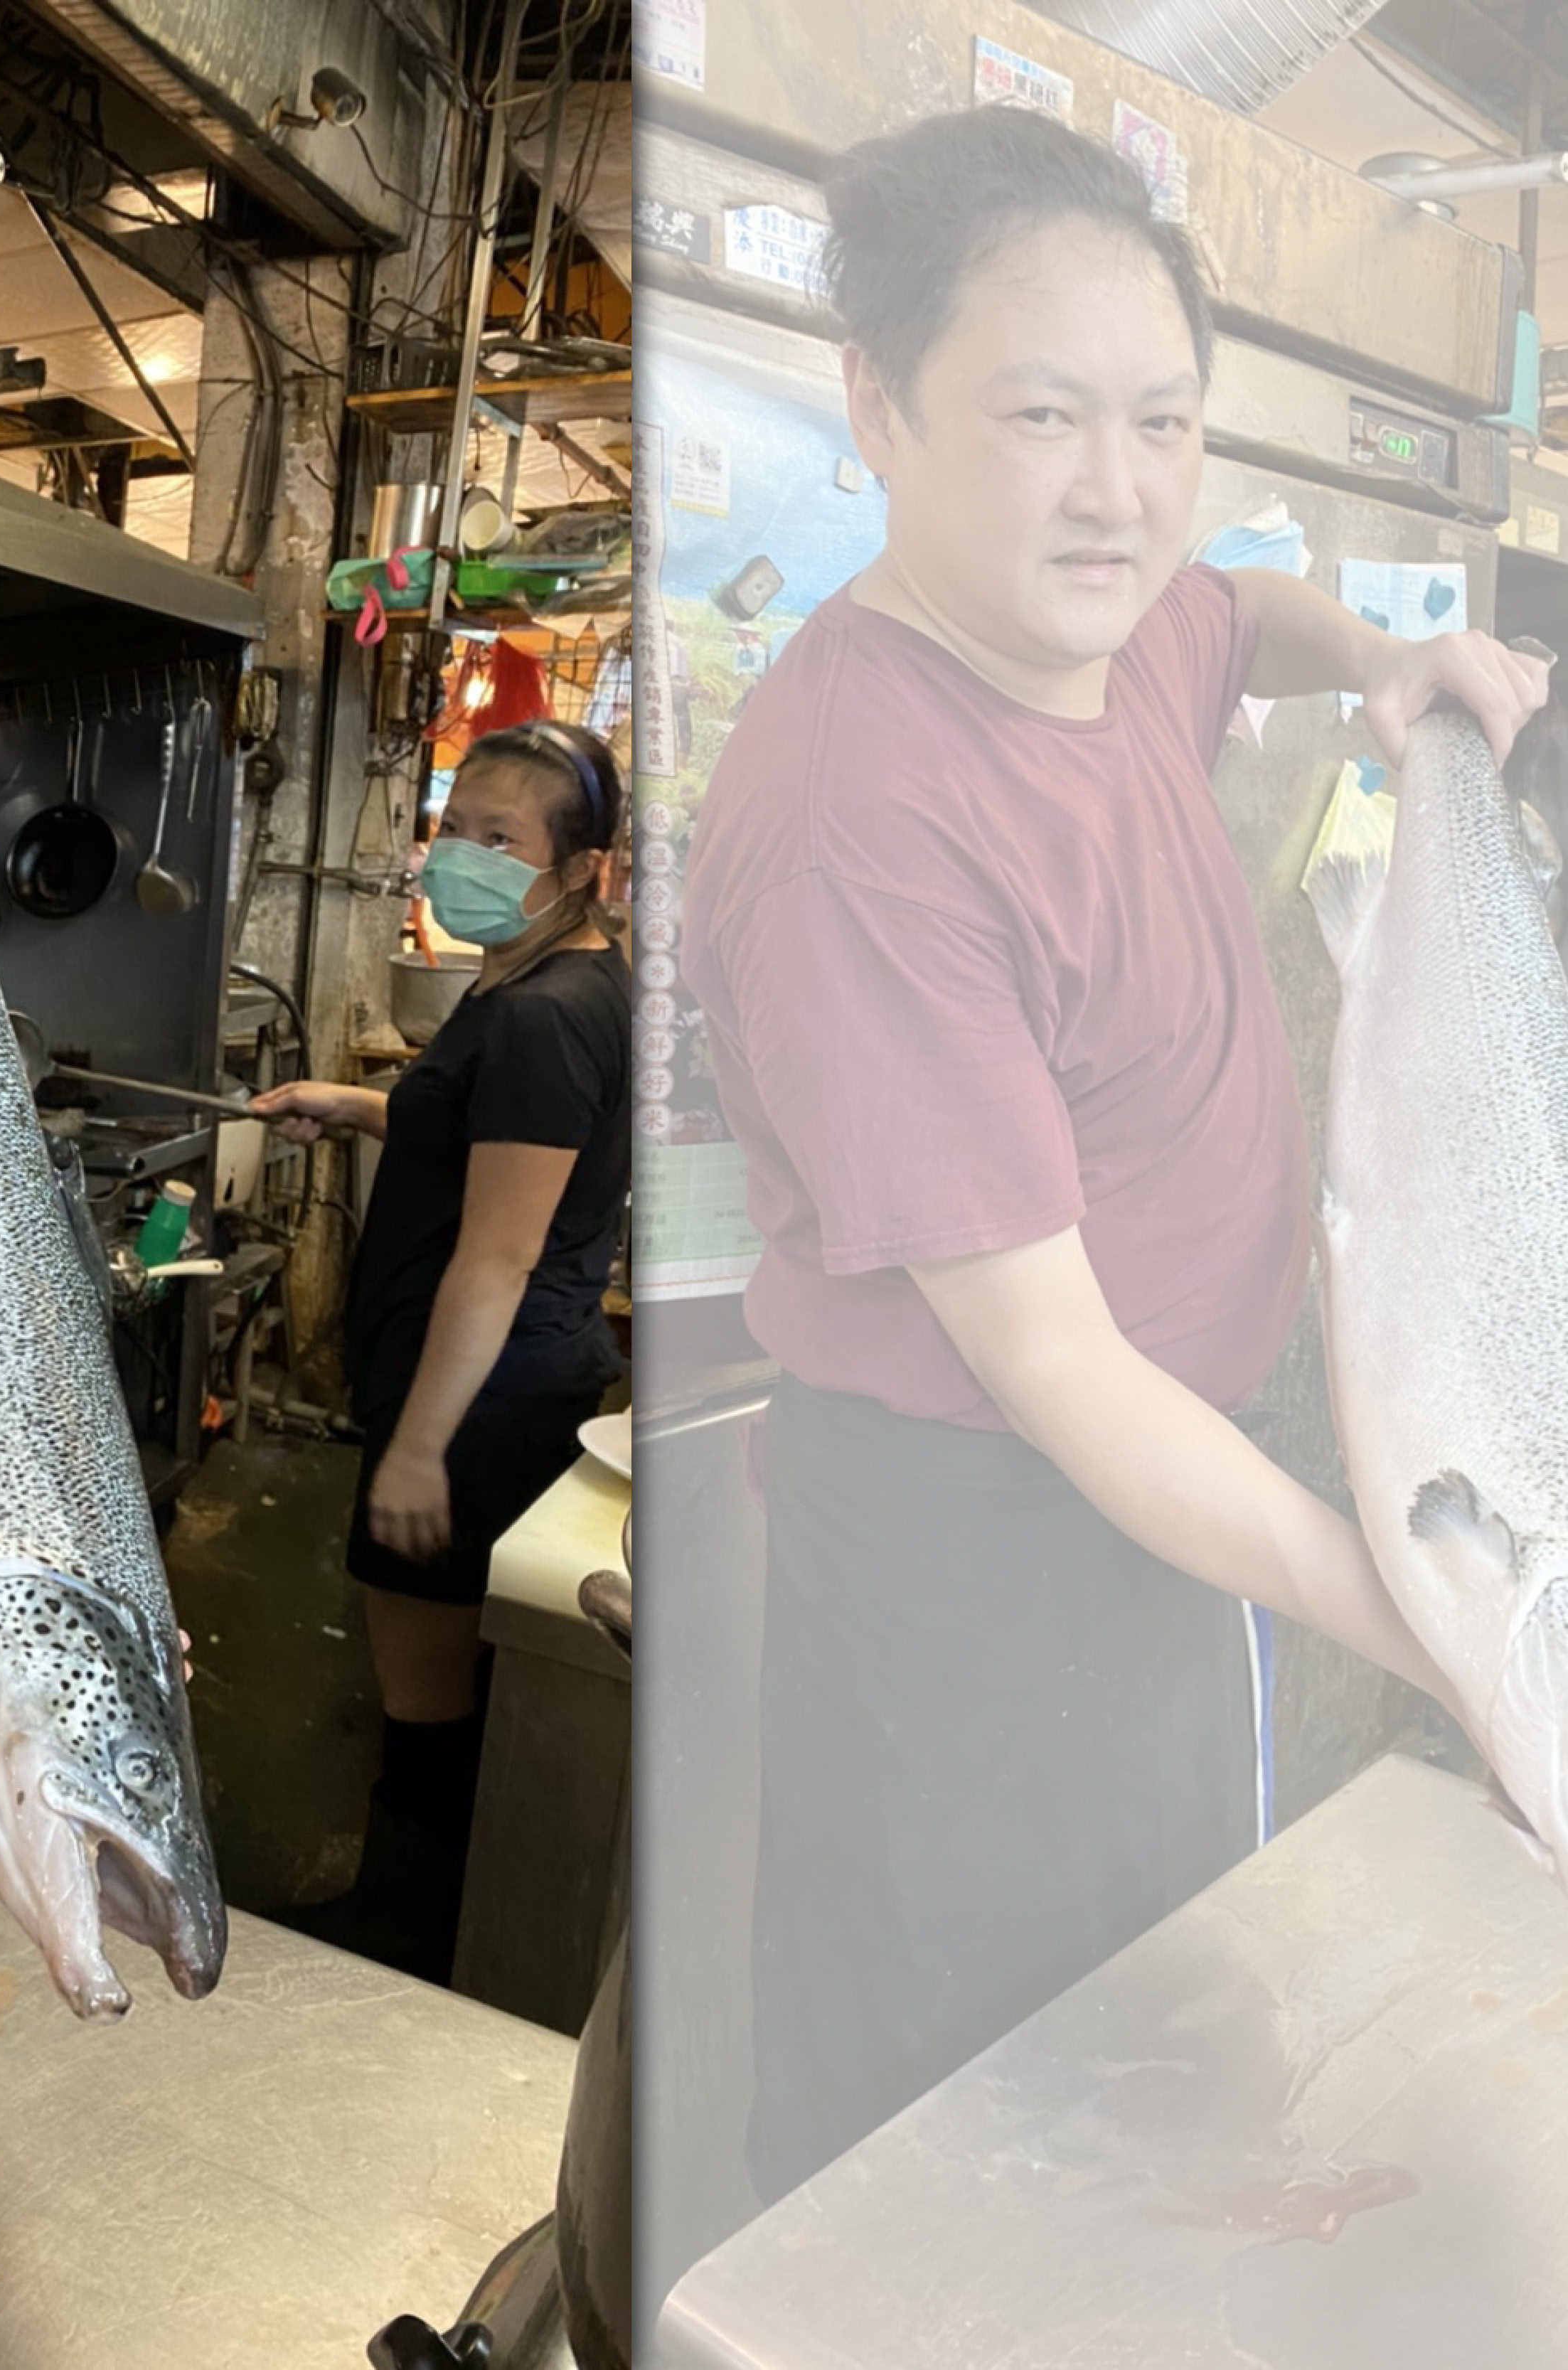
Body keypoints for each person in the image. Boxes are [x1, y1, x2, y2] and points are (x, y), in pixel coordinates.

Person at [676, 105, 1545, 2205]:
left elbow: (1236, 608)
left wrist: (1394, 660)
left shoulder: (1111, 624)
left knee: (1170, 2020)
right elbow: (1057, 1372)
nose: (1119, 487)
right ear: (877, 403)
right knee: (981, 2128)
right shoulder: (861, 814)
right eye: (1045, 414)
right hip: (991, 1566)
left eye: (1163, 420)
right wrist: (1437, 1626)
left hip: (1182, 1501)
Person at [252, 717, 631, 1982]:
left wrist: (417, 1449)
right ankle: (432, 1926)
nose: (457, 857)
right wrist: (356, 1106)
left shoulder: (546, 1015)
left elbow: (499, 1252)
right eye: (452, 828)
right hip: (492, 1383)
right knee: (448, 1686)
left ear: (581, 867)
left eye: (499, 838)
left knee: (430, 1706)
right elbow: (478, 1133)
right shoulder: (531, 976)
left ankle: (401, 1948)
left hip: (475, 1401)